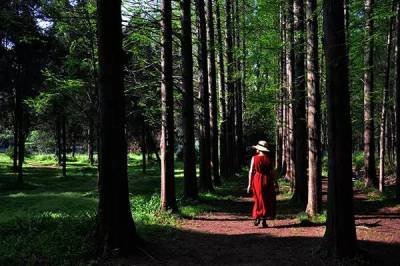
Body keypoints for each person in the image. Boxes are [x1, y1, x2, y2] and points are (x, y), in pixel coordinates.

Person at [247, 140, 276, 228]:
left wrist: (249, 184)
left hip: (257, 179)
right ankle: (263, 220)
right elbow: (273, 172)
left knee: (258, 199)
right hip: (268, 179)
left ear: (259, 149)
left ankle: (257, 216)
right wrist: (275, 182)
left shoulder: (254, 158)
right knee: (266, 199)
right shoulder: (269, 159)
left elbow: (251, 171)